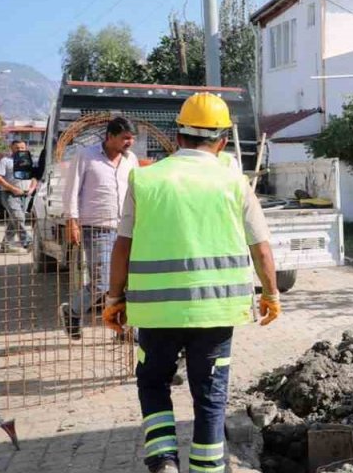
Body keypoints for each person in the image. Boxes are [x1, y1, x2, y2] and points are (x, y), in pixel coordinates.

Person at [102, 92, 281, 473]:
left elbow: (122, 246)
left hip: (156, 311)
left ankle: (164, 460)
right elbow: (261, 249)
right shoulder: (235, 182)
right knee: (210, 395)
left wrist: (114, 298)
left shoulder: (144, 178)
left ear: (178, 136)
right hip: (216, 311)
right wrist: (271, 293)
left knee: (153, 383)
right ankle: (208, 468)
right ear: (222, 141)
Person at [60, 116, 140, 339]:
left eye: (132, 138)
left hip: (127, 228)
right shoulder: (86, 156)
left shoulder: (131, 159)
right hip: (97, 227)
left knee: (129, 280)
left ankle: (124, 328)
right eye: (125, 138)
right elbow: (72, 189)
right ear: (110, 136)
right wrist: (72, 220)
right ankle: (72, 311)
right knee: (102, 281)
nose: (129, 142)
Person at [0, 140, 39, 253]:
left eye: (22, 148)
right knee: (18, 218)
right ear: (11, 148)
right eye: (17, 148)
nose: (20, 150)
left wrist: (32, 189)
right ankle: (27, 242)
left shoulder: (29, 161)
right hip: (9, 194)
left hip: (26, 195)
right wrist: (13, 189)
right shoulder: (5, 161)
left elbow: (34, 177)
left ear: (26, 148)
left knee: (14, 220)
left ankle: (6, 246)